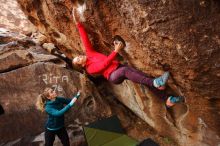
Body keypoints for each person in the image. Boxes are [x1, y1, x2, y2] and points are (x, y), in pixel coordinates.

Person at [71, 8, 184, 107]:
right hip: (113, 76)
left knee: (142, 77)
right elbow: (104, 64)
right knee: (127, 71)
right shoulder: (90, 69)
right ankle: (155, 83)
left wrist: (78, 24)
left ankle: (167, 99)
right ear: (81, 65)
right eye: (78, 59)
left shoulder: (89, 53)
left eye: (78, 56)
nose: (80, 57)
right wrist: (115, 51)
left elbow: (84, 38)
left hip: (118, 67)